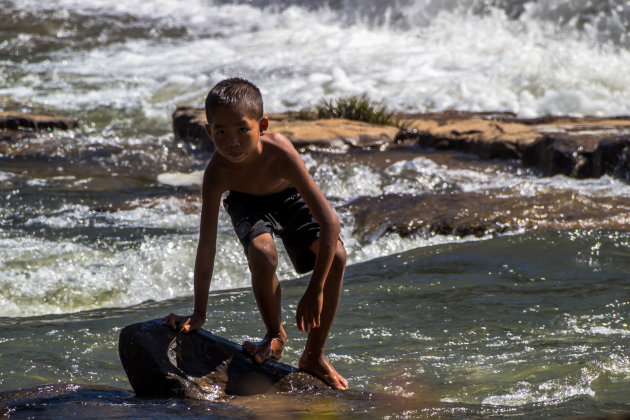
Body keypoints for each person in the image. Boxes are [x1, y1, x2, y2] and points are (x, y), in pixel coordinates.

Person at [162, 78, 348, 390]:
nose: (232, 141)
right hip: (246, 203)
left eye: (242, 130)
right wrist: (199, 311)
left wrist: (315, 289)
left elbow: (330, 223)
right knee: (262, 253)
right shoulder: (217, 173)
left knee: (337, 257)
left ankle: (314, 355)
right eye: (221, 132)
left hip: (288, 197)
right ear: (209, 132)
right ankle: (274, 334)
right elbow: (206, 246)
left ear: (261, 125)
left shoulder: (281, 153)